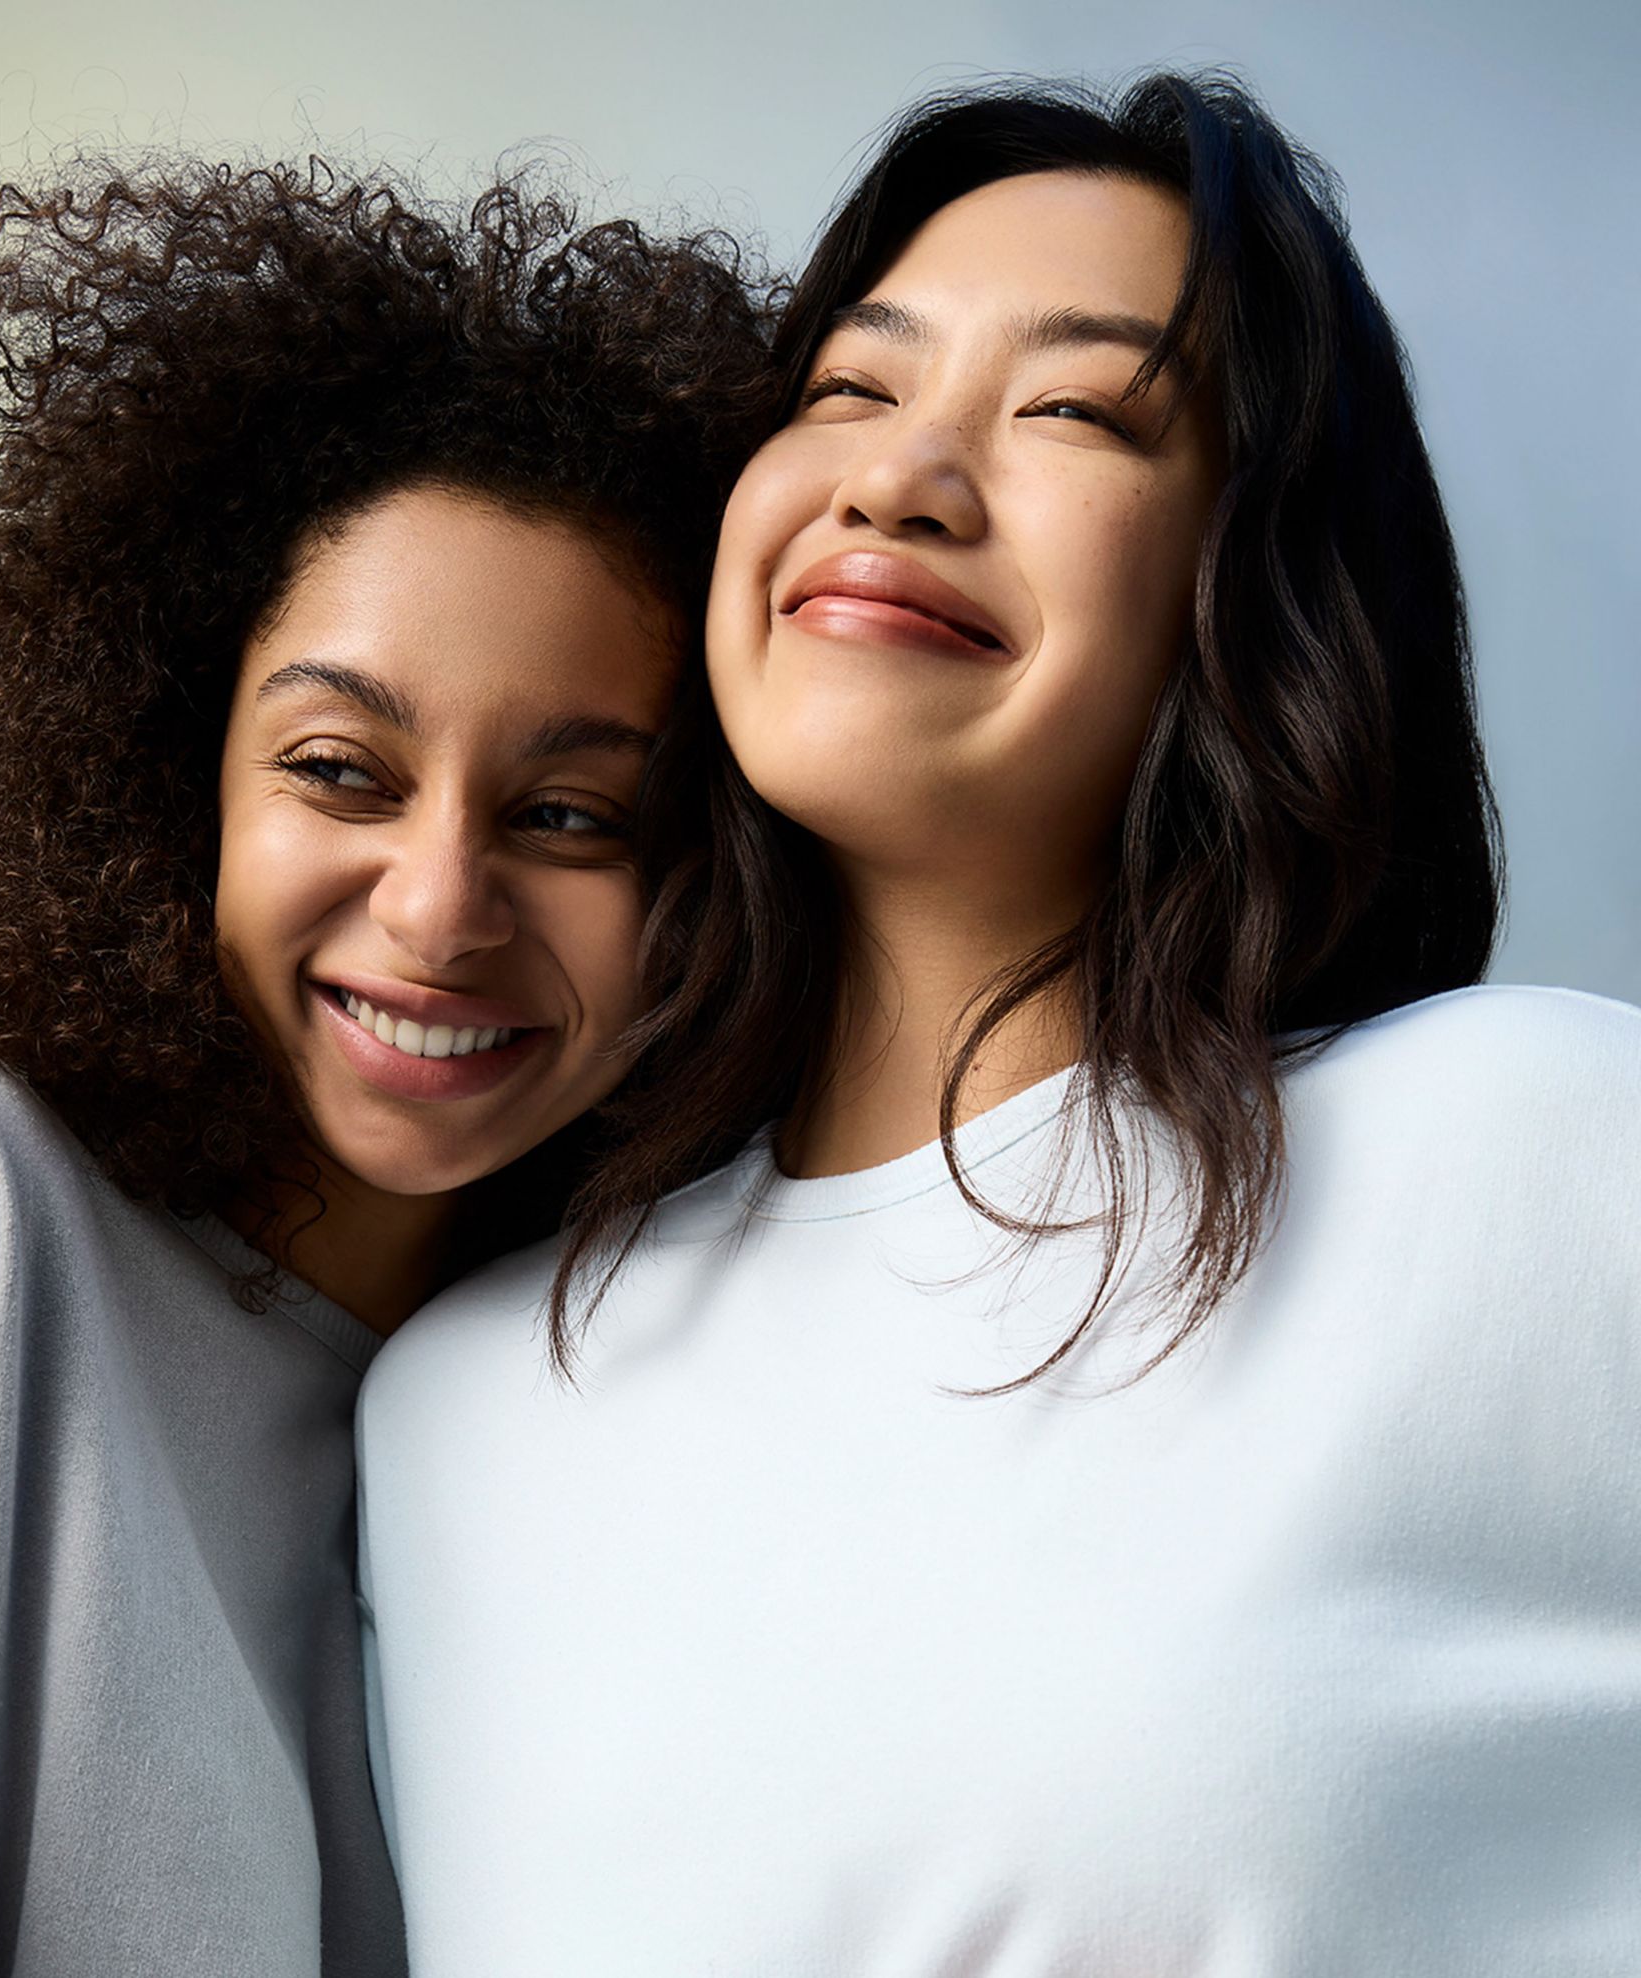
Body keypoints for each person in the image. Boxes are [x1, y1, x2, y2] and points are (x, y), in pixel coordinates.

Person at [356, 73, 1641, 1973]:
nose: (899, 475)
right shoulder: (459, 1414)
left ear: (1252, 597)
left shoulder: (1524, 1153)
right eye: (849, 393)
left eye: (1074, 411)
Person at [0, 159, 774, 1977]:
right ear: (179, 781)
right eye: (340, 768)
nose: (440, 905)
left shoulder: (571, 1421)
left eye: (572, 815)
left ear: (716, 890)